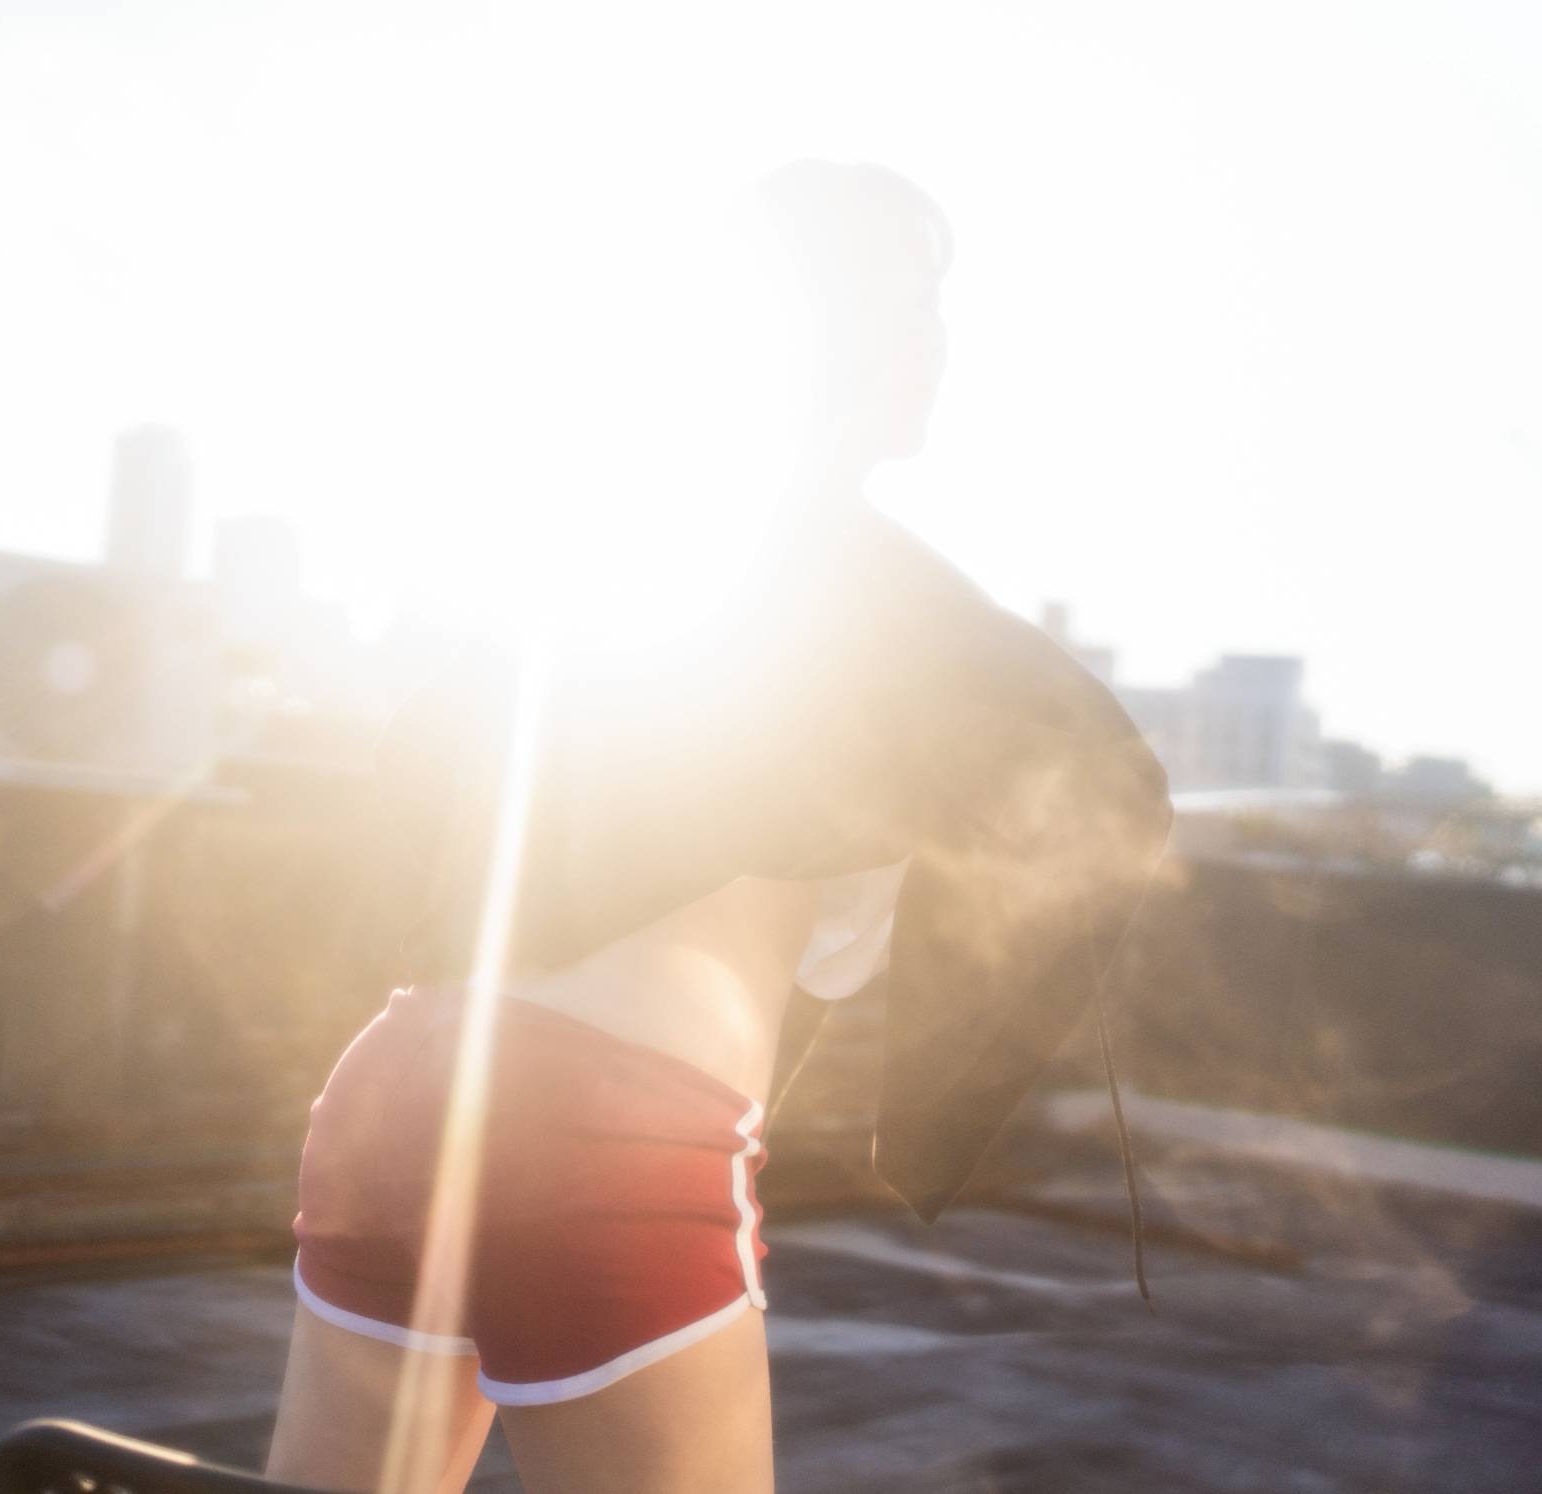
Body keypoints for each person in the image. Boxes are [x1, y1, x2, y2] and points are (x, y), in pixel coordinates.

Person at [266, 160, 1171, 1494]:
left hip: (398, 1080)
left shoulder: (587, 564)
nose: (934, 349)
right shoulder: (891, 603)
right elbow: (1109, 787)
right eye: (910, 312)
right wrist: (936, 1100)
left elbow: (410, 785)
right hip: (605, 1130)